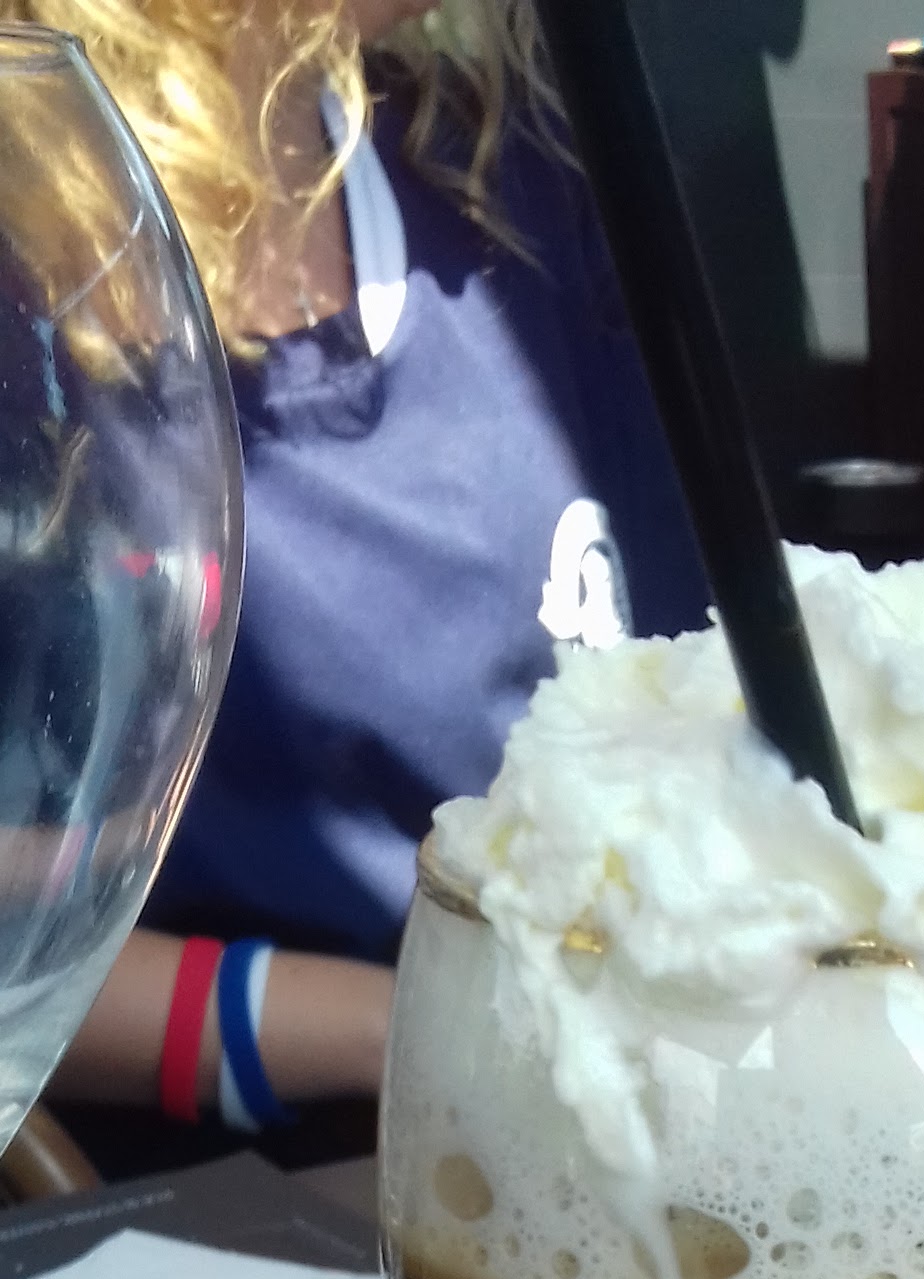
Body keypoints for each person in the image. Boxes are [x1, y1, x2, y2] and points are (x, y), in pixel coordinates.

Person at [27, 0, 706, 1164]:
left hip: (599, 1131)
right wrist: (406, 1033)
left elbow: (693, 702)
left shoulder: (513, 175)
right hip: (214, 1201)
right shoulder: (33, 238)